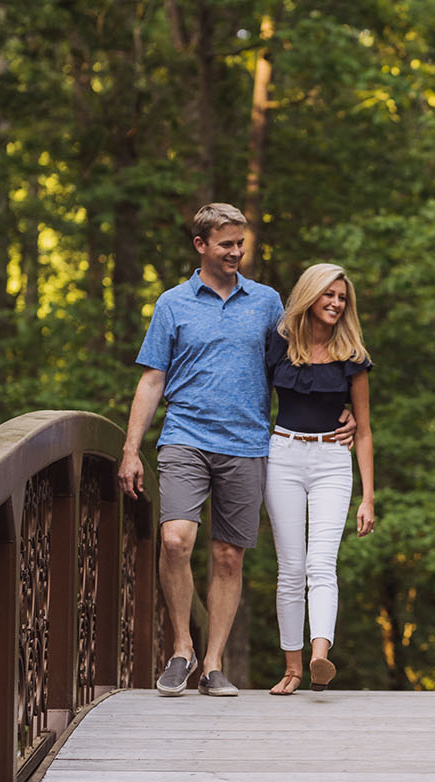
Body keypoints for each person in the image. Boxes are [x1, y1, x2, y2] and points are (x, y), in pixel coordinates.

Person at [117, 202, 350, 696]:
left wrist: (342, 410)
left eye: (240, 244)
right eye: (226, 244)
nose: (236, 252)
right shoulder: (172, 304)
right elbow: (152, 377)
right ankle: (181, 649)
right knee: (176, 539)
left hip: (247, 443)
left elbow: (302, 360)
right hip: (184, 435)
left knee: (228, 556)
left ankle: (213, 662)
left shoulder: (267, 302)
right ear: (200, 246)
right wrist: (130, 448)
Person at [263, 264, 375, 695]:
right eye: (328, 294)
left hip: (332, 459)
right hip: (283, 456)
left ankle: (319, 656)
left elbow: (363, 429)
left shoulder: (353, 355)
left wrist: (368, 497)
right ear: (309, 296)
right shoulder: (278, 345)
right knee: (290, 568)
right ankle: (290, 668)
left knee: (321, 563)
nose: (335, 303)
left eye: (342, 297)